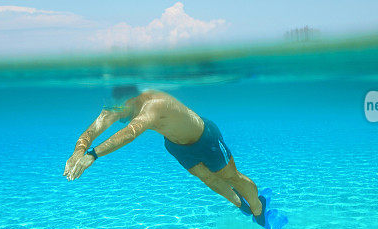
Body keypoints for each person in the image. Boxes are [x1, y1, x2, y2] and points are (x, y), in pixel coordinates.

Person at [63, 85, 267, 221]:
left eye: (120, 111)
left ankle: (258, 208)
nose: (115, 115)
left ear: (133, 99)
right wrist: (77, 152)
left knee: (229, 176)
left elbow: (129, 133)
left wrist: (92, 155)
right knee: (208, 179)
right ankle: (241, 203)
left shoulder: (153, 105)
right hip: (176, 146)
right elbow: (91, 131)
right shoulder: (118, 104)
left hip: (205, 138)